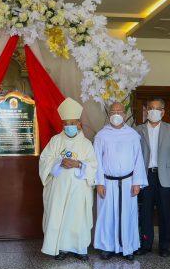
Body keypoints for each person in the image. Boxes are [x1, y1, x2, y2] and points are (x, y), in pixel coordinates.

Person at [38, 98, 97, 260]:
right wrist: (59, 162)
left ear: (79, 124)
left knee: (77, 218)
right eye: (66, 123)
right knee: (60, 217)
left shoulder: (86, 144)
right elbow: (44, 160)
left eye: (72, 123)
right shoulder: (56, 141)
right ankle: (62, 248)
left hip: (79, 189)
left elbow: (93, 165)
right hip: (59, 188)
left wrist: (79, 164)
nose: (69, 126)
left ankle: (79, 249)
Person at [96, 102, 147, 260]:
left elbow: (139, 160)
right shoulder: (101, 135)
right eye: (113, 111)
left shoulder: (132, 135)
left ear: (125, 115)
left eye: (120, 111)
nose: (116, 114)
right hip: (107, 182)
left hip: (128, 182)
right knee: (107, 215)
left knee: (128, 215)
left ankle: (128, 247)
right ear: (109, 114)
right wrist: (99, 183)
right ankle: (107, 247)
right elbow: (96, 160)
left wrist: (137, 182)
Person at [135, 98, 170, 256]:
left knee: (165, 212)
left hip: (166, 176)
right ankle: (146, 243)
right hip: (145, 175)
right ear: (146, 111)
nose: (153, 111)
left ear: (163, 111)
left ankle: (164, 246)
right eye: (150, 108)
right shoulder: (138, 129)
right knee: (145, 212)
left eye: (157, 108)